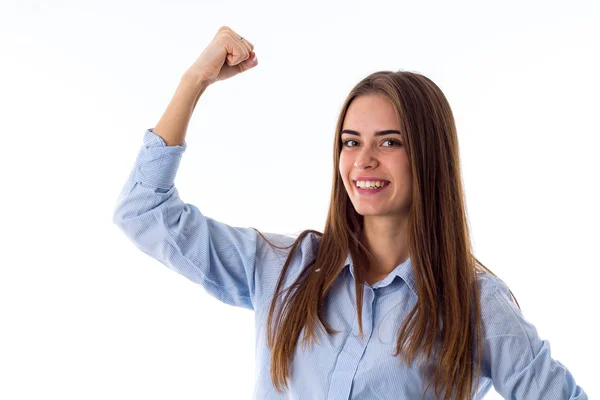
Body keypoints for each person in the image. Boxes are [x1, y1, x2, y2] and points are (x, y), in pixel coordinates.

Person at [112, 26, 588, 400]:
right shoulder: (281, 266)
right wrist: (195, 81)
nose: (363, 160)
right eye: (350, 142)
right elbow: (143, 210)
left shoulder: (474, 305)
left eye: (389, 141)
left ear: (429, 154)